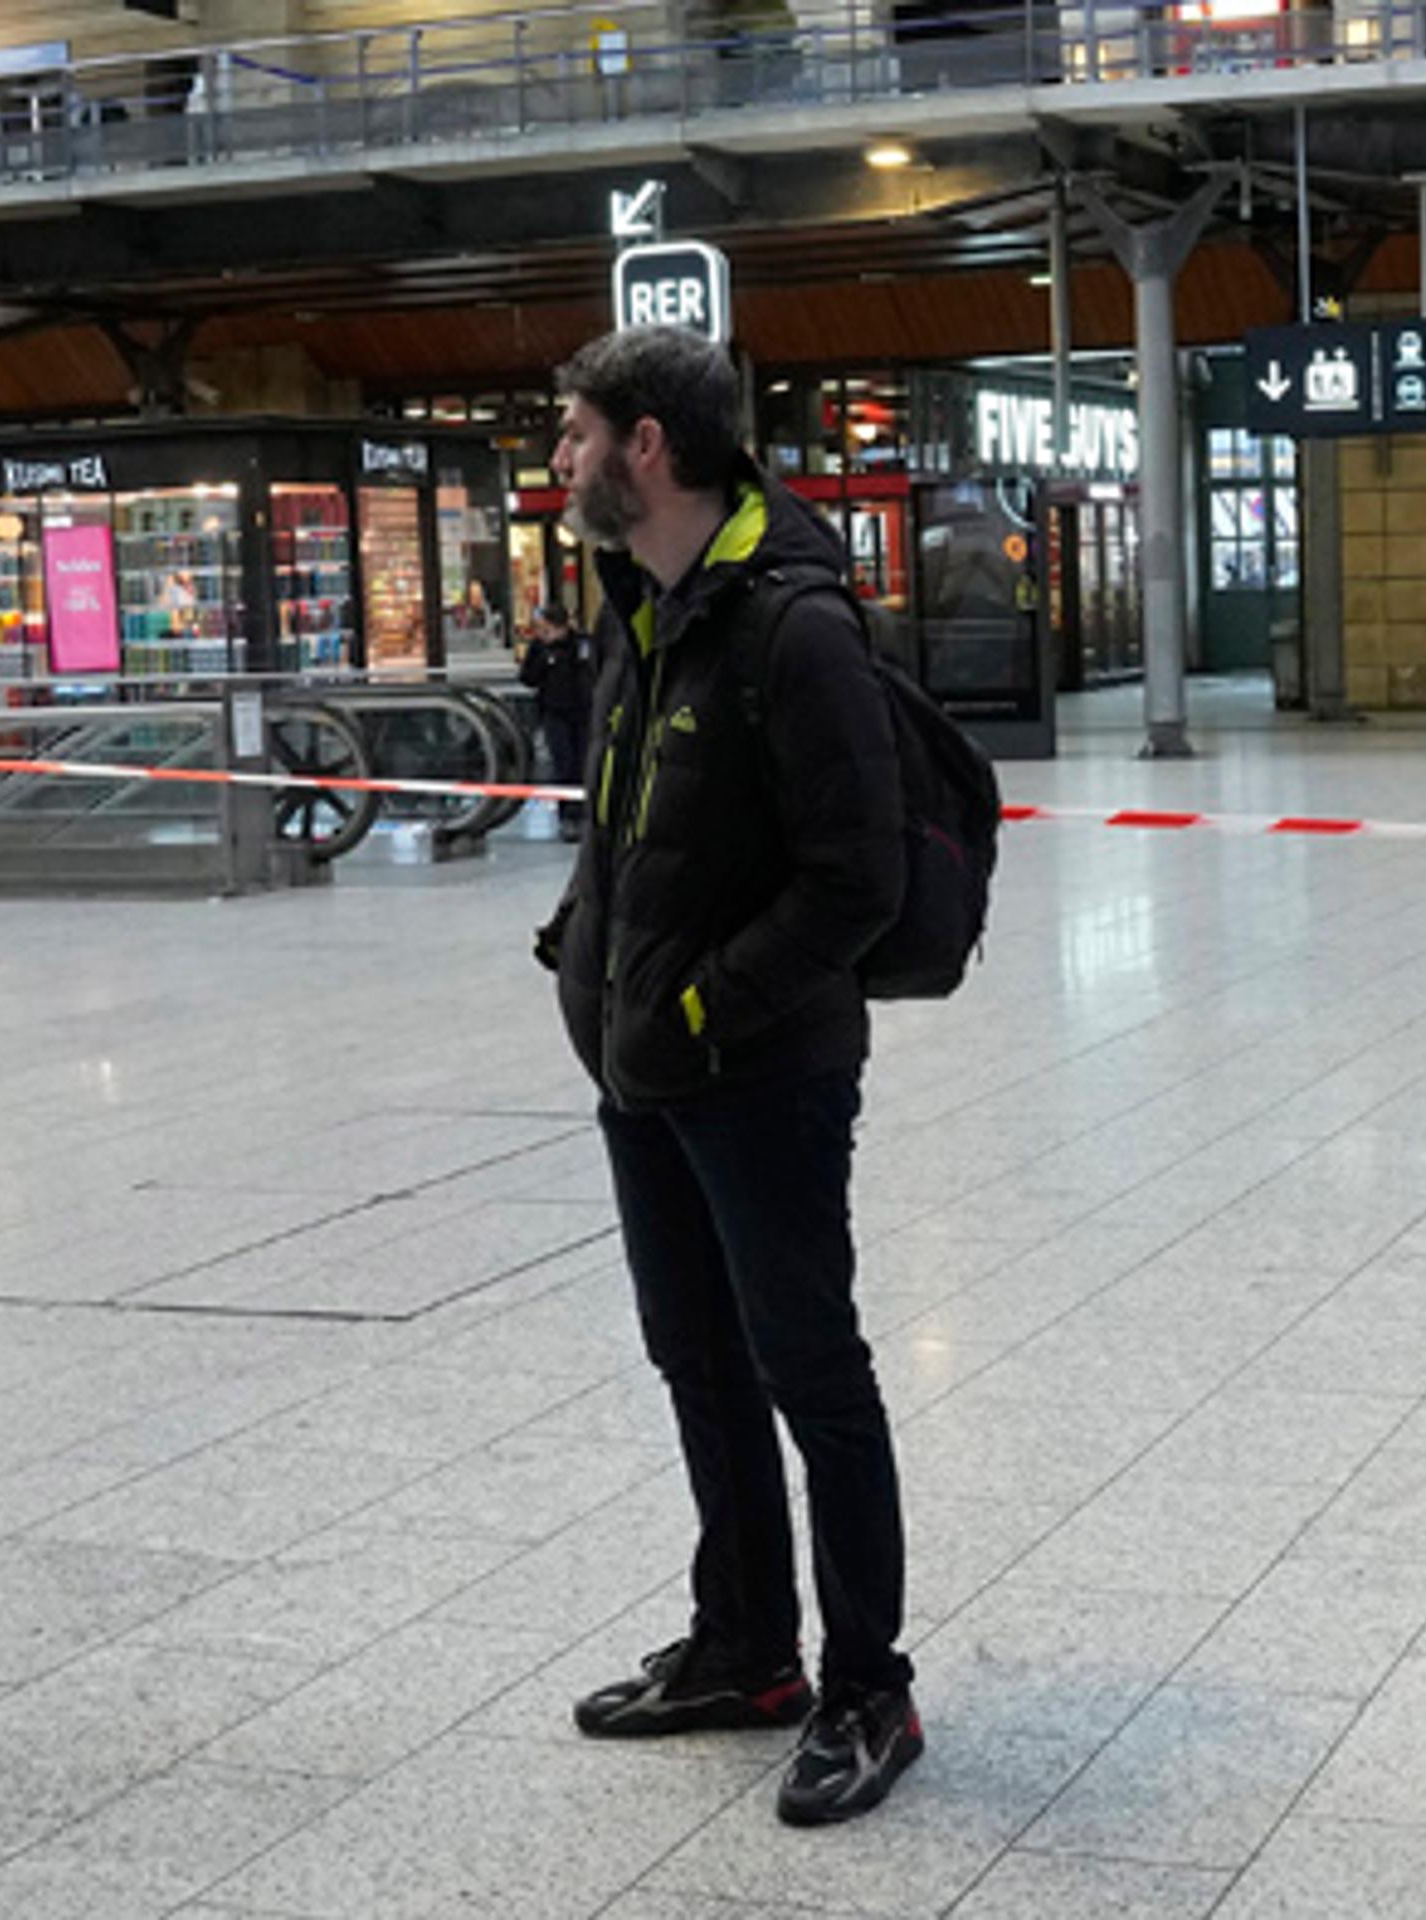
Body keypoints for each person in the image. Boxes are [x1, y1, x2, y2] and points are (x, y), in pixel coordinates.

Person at [530, 325, 922, 1828]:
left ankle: (866, 1685)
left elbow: (856, 884)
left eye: (575, 434)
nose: (559, 461)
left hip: (757, 1076)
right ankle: (747, 1647)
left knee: (808, 1370)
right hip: (644, 1070)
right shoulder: (650, 602)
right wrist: (590, 951)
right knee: (694, 1360)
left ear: (648, 447)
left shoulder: (793, 625)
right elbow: (629, 824)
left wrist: (695, 1010)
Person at [513, 603, 592, 836]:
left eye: (548, 629)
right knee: (564, 764)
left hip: (583, 711)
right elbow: (527, 678)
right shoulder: (540, 649)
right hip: (554, 712)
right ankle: (568, 816)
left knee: (585, 762)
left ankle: (587, 814)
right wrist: (545, 662)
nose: (545, 634)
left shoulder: (582, 645)